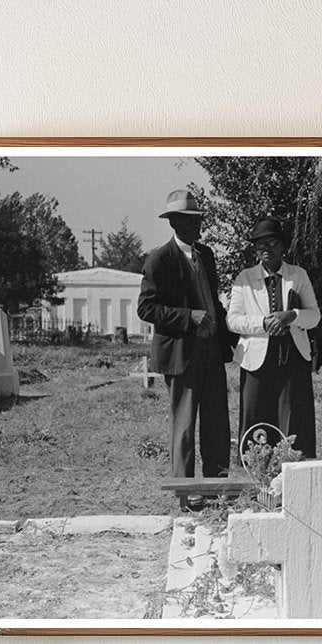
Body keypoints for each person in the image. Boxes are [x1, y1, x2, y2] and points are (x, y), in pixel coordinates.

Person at [136, 189, 235, 479]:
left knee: (217, 422)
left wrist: (231, 335)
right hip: (182, 354)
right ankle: (185, 492)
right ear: (173, 223)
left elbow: (214, 303)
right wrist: (188, 317)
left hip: (212, 351)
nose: (197, 227)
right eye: (189, 221)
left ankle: (217, 486)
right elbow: (146, 309)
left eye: (198, 220)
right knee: (185, 424)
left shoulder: (206, 255)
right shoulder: (159, 260)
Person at [227, 217, 321, 458]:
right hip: (257, 363)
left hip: (293, 362)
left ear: (282, 246)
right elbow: (233, 320)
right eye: (259, 245)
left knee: (294, 424)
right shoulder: (244, 279)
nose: (265, 249)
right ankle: (259, 480)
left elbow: (314, 317)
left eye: (271, 243)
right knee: (257, 424)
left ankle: (293, 481)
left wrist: (292, 315)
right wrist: (263, 323)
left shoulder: (298, 276)